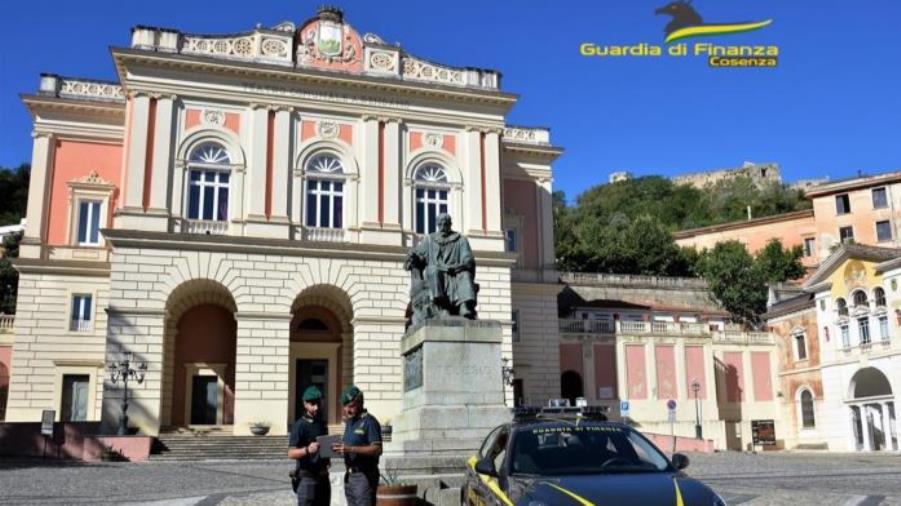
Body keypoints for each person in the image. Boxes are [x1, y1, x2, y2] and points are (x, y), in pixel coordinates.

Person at [404, 213, 477, 321]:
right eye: (440, 224)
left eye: (445, 224)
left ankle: (464, 306)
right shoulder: (429, 240)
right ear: (437, 225)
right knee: (433, 270)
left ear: (450, 224)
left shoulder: (461, 240)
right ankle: (441, 306)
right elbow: (420, 256)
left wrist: (460, 265)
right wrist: (413, 257)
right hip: (437, 271)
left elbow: (468, 258)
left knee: (465, 274)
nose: (442, 227)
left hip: (456, 271)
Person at [333, 385, 382, 506]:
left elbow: (377, 449)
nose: (347, 410)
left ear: (360, 403)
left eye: (350, 406)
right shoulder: (351, 422)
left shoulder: (370, 422)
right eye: (344, 406)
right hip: (350, 477)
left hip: (364, 477)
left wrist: (350, 449)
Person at [288, 386, 331, 506]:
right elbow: (291, 453)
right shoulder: (299, 425)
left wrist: (329, 454)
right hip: (307, 478)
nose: (316, 407)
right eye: (312, 404)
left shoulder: (322, 424)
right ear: (305, 404)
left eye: (318, 403)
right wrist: (307, 450)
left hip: (323, 477)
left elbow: (323, 446)